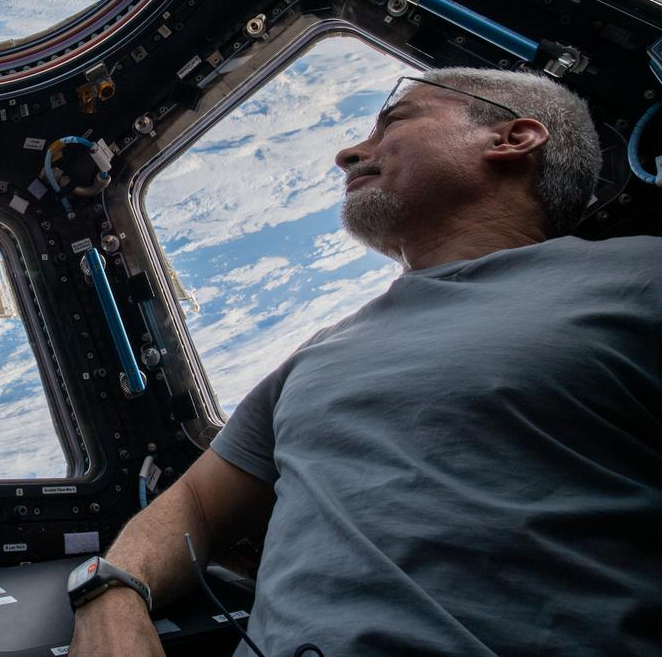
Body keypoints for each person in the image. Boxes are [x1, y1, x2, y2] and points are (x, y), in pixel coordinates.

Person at [70, 68, 662, 655]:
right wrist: (112, 592)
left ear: (512, 138)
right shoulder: (318, 354)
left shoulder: (640, 277)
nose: (348, 152)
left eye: (394, 122)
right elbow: (196, 504)